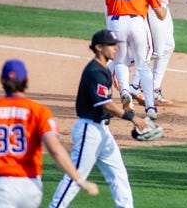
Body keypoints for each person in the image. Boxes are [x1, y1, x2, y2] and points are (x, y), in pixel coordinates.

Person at [0, 59, 99, 207]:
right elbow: (55, 150)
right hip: (30, 186)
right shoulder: (39, 111)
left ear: (2, 80)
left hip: (0, 186)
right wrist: (79, 180)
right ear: (26, 80)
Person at [50, 29, 150, 208]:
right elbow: (106, 104)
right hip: (89, 131)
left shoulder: (102, 69)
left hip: (102, 130)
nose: (116, 48)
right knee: (76, 177)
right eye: (111, 45)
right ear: (98, 47)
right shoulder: (95, 71)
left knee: (118, 175)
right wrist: (132, 117)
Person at [106, 0, 168, 121]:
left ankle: (125, 91)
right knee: (143, 65)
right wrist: (162, 5)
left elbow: (109, 7)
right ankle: (150, 108)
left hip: (115, 23)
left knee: (120, 61)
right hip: (136, 23)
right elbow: (161, 15)